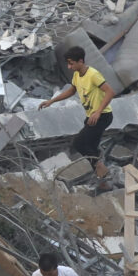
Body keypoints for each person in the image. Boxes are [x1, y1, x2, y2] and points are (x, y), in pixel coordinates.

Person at [42, 48, 112, 187]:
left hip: (102, 116)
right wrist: (52, 101)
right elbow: (71, 90)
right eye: (68, 64)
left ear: (81, 61)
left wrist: (98, 111)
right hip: (91, 117)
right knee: (92, 147)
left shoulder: (93, 75)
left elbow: (110, 92)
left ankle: (102, 171)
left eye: (71, 63)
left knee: (79, 143)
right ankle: (102, 179)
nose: (69, 67)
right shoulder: (76, 75)